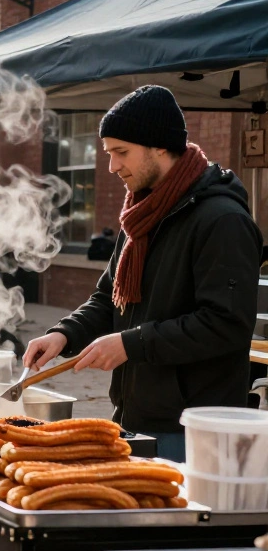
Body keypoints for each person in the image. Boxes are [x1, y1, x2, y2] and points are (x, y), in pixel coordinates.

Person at [24, 85, 261, 462]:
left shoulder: (223, 221)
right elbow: (108, 298)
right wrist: (63, 333)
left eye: (122, 152)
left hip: (192, 430)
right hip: (136, 416)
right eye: (109, 153)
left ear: (160, 146)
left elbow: (225, 325)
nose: (112, 166)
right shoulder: (141, 214)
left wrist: (129, 344)